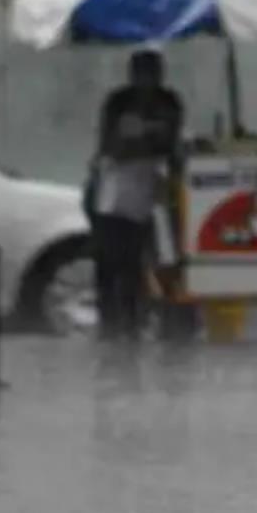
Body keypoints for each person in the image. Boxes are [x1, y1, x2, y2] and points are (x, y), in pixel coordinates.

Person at [90, 49, 183, 340]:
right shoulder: (119, 102)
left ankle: (154, 316)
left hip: (155, 186)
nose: (147, 80)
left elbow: (171, 143)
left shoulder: (168, 101)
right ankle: (115, 320)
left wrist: (145, 141)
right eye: (141, 73)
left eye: (152, 73)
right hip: (118, 188)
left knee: (161, 256)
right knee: (114, 258)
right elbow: (110, 146)